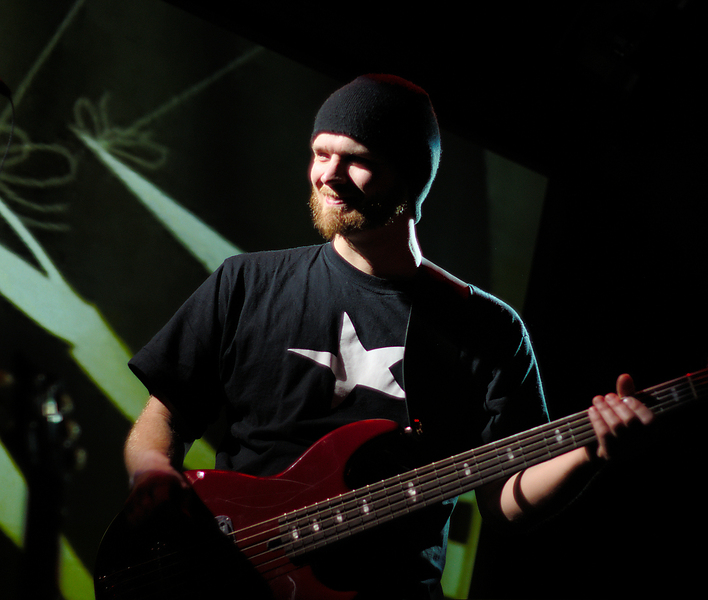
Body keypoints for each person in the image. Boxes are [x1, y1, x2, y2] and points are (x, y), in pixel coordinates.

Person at [123, 74, 653, 599]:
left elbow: (506, 503)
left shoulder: (489, 330)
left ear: (410, 177)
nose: (329, 175)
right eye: (321, 153)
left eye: (357, 159)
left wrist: (590, 453)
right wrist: (151, 472)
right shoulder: (246, 282)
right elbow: (163, 418)